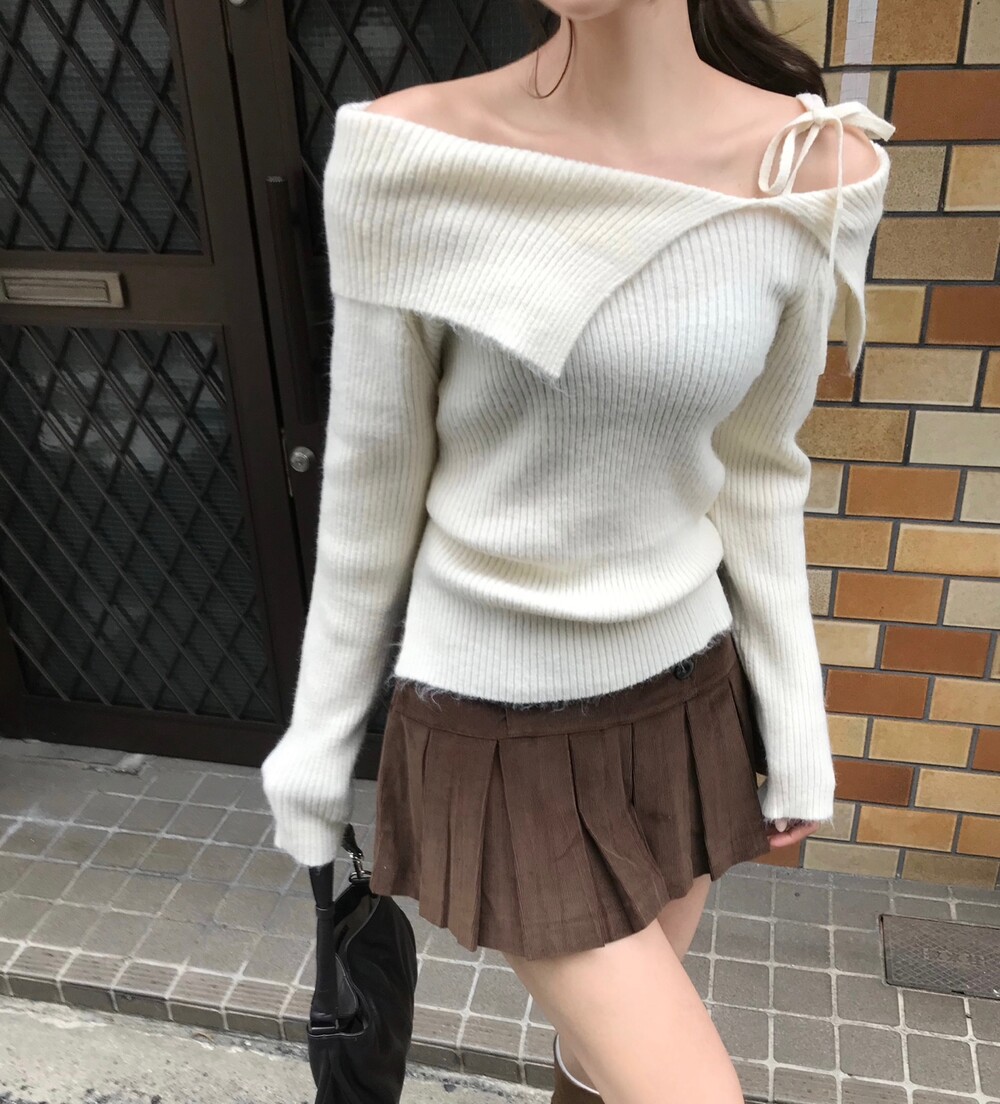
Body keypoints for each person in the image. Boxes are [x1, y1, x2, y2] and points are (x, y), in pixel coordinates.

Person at [260, 1, 894, 1100]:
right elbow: (371, 483)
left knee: (601, 1071)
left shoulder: (811, 167)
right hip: (495, 723)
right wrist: (315, 748)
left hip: (685, 705)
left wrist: (796, 725)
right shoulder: (410, 154)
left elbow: (760, 471)